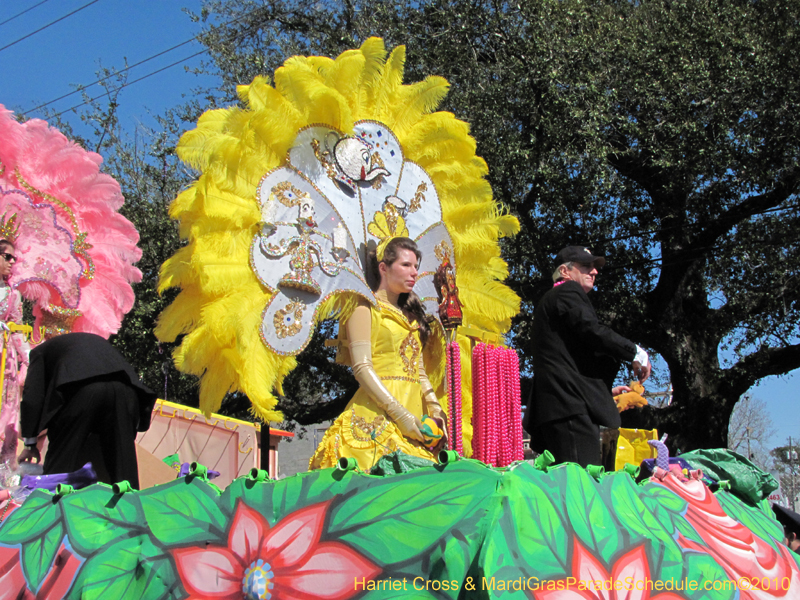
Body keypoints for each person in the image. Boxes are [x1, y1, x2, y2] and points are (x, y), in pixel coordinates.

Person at [309, 237, 447, 470]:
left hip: (417, 424)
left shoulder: (411, 318)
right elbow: (362, 368)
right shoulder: (364, 308)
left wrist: (436, 410)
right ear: (383, 268)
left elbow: (419, 371)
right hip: (377, 417)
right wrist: (400, 415)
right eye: (406, 265)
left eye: (415, 266)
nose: (413, 272)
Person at [524, 246, 651, 468]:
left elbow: (566, 361)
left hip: (559, 409)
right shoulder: (567, 292)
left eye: (594, 267)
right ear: (565, 271)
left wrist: (606, 392)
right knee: (580, 485)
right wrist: (635, 352)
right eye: (586, 266)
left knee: (566, 487)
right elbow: (592, 330)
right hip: (569, 409)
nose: (594, 272)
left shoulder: (552, 301)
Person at [17, 332, 157, 489]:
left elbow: (32, 398)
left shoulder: (39, 353)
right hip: (126, 392)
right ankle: (129, 509)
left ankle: (48, 505)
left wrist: (30, 445)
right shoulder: (93, 343)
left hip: (82, 391)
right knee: (123, 468)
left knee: (60, 467)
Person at [0, 236, 29, 465]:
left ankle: (4, 470)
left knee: (8, 410)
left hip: (5, 361)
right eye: (7, 256)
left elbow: (17, 329)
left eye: (14, 258)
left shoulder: (13, 294)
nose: (12, 262)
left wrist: (28, 359)